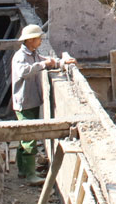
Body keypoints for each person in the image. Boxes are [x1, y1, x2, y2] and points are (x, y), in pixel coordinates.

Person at [11, 24, 73, 185]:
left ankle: (23, 171)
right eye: (38, 38)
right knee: (29, 138)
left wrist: (60, 62)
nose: (40, 41)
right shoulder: (20, 57)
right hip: (24, 102)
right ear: (30, 40)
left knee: (25, 136)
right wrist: (43, 65)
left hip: (31, 100)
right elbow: (24, 72)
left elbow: (46, 61)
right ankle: (30, 175)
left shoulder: (32, 53)